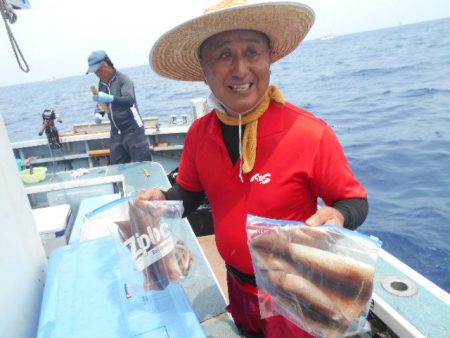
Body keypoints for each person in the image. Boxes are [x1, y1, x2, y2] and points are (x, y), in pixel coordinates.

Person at [141, 1, 369, 337]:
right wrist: (162, 198)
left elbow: (354, 202)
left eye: (252, 52)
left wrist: (338, 217)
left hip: (295, 293)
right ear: (203, 70)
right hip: (237, 284)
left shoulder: (310, 133)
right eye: (223, 55)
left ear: (269, 60)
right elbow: (189, 193)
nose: (241, 68)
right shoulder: (199, 134)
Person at [86, 50, 151, 164]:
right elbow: (102, 102)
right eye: (95, 73)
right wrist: (99, 113)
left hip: (133, 131)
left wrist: (110, 98)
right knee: (116, 167)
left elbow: (129, 100)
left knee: (142, 166)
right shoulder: (101, 83)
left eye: (98, 71)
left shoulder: (124, 80)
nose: (97, 75)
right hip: (116, 132)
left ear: (106, 65)